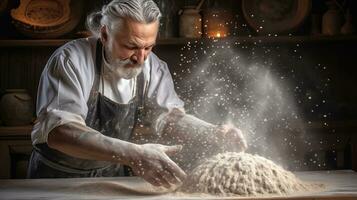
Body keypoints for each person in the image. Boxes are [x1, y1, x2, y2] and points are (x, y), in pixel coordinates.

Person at [27, 0, 247, 188]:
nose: (140, 58)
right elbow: (61, 132)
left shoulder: (153, 67)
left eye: (148, 47)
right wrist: (135, 154)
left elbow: (169, 118)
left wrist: (212, 132)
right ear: (104, 34)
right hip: (59, 180)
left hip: (112, 176)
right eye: (131, 46)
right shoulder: (71, 60)